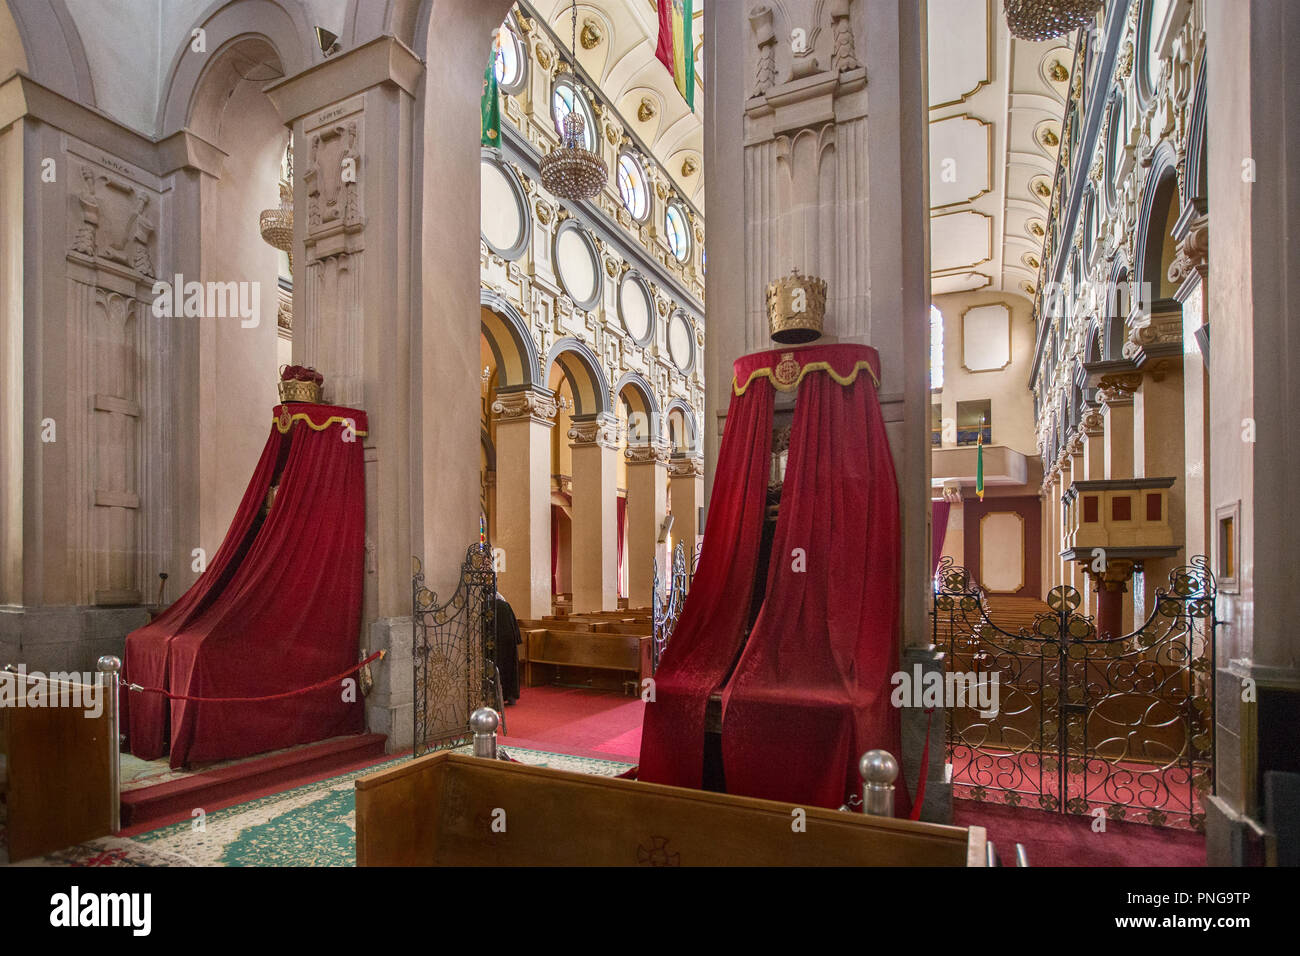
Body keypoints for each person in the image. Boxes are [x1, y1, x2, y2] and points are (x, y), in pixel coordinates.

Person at [494, 591, 522, 705]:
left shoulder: (488, 606)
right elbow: (513, 625)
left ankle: (498, 697)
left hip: (496, 642)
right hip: (509, 642)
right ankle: (511, 695)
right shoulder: (505, 605)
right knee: (509, 668)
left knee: (498, 668)